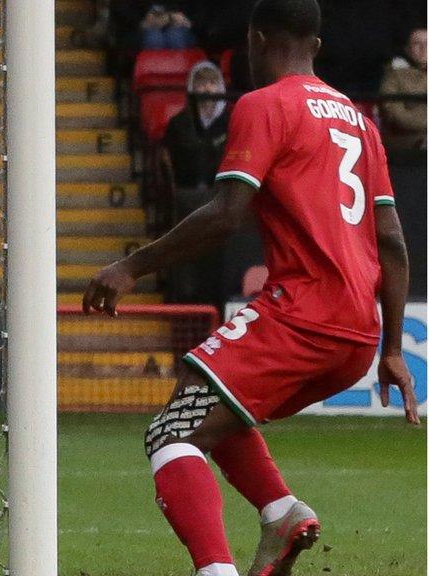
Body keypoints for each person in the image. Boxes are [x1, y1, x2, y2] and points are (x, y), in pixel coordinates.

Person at [82, 2, 417, 576]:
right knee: (212, 399)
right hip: (357, 334)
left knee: (170, 433)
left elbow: (225, 214)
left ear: (257, 39)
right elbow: (392, 240)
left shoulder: (265, 105)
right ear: (315, 42)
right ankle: (282, 513)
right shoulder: (361, 120)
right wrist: (389, 349)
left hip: (304, 314)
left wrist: (130, 267)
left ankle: (216, 569)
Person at [160, 61, 230, 306]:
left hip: (223, 201)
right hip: (187, 200)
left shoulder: (232, 121)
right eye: (201, 82)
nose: (207, 88)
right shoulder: (179, 124)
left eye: (212, 82)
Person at [379, 28, 426, 151]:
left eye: (427, 43)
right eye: (417, 43)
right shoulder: (394, 75)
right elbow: (393, 112)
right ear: (408, 49)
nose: (423, 48)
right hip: (407, 142)